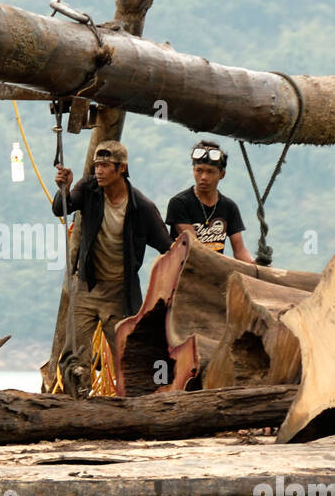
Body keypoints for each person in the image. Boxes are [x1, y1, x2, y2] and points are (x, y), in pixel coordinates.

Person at [52, 141, 172, 362]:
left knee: (128, 358)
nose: (99, 171)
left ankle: (132, 398)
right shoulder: (88, 189)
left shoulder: (141, 207)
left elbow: (168, 247)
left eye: (106, 165)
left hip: (120, 293)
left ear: (122, 168)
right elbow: (61, 208)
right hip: (86, 287)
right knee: (74, 358)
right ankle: (78, 396)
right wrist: (64, 188)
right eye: (97, 165)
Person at [165, 140, 255, 263]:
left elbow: (240, 252)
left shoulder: (229, 207)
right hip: (183, 274)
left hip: (214, 275)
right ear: (193, 171)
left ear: (222, 175)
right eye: (199, 170)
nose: (203, 177)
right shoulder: (180, 203)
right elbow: (194, 248)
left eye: (210, 172)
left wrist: (258, 266)